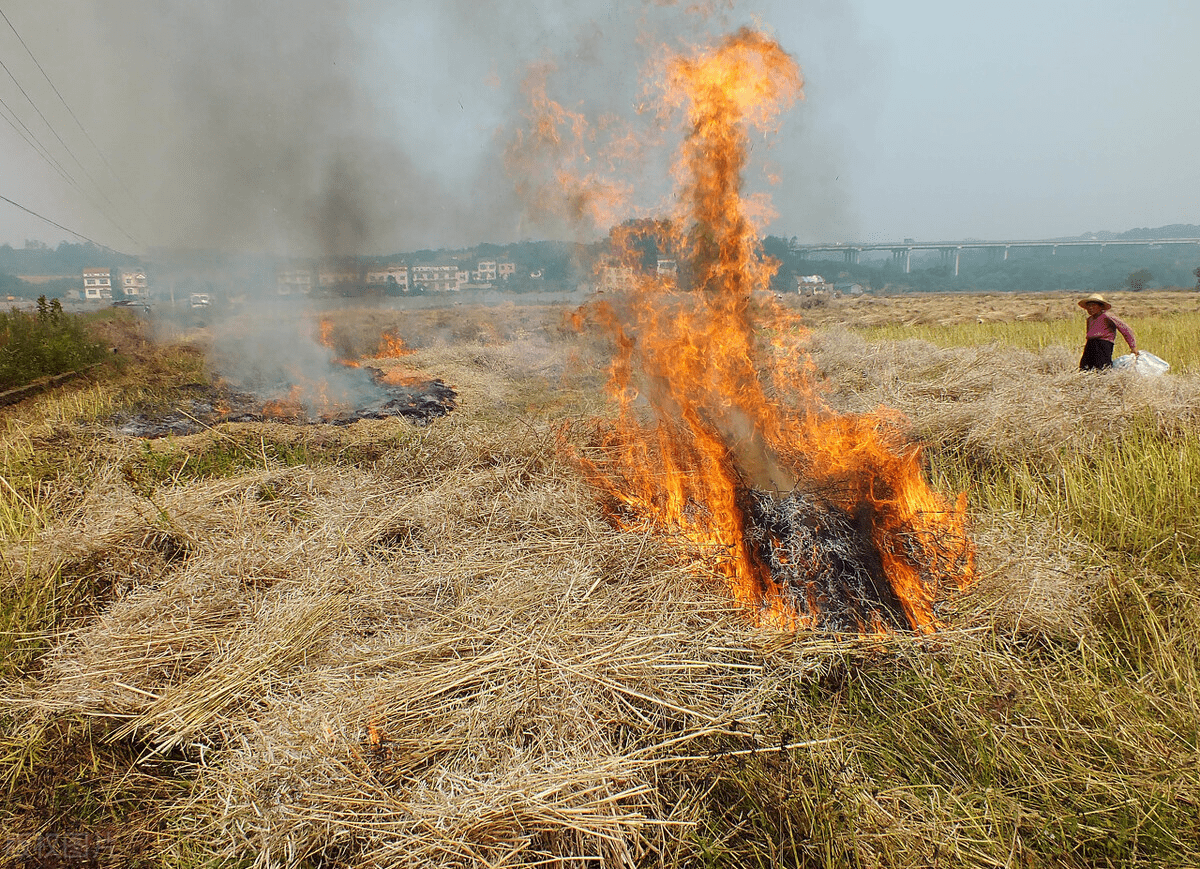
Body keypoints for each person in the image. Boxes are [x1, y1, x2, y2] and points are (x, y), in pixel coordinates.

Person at [1078, 293, 1138, 371]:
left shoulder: (1108, 316)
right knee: (1084, 369)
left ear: (1100, 306)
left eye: (1093, 305)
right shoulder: (1090, 319)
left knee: (1102, 369)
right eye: (1088, 306)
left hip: (1103, 346)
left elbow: (1126, 329)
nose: (1090, 308)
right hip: (1090, 345)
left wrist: (1133, 347)